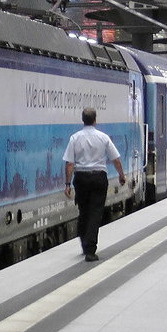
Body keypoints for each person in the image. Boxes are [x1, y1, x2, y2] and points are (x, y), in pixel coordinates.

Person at [63, 108, 127, 262]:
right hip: (99, 178)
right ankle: (90, 250)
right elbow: (115, 159)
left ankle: (84, 243)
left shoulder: (75, 138)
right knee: (95, 212)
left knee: (83, 210)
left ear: (82, 120)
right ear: (95, 120)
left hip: (81, 178)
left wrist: (67, 184)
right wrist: (121, 175)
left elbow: (69, 163)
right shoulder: (103, 137)